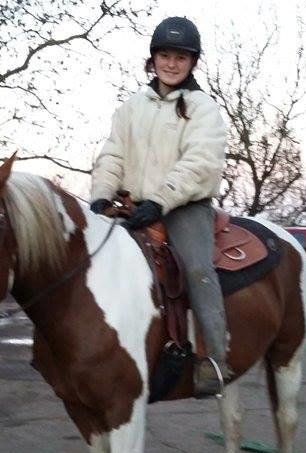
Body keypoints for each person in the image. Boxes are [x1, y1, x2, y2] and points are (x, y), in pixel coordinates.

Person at [89, 16, 229, 398]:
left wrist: (161, 201)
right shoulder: (131, 108)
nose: (171, 63)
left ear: (193, 62)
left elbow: (201, 162)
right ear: (152, 59)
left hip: (185, 207)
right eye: (164, 55)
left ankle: (213, 361)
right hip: (132, 206)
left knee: (198, 269)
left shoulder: (203, 108)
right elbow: (113, 154)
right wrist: (101, 195)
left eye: (180, 57)